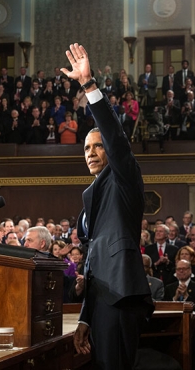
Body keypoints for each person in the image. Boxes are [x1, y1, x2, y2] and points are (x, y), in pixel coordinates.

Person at [62, 43, 153, 369]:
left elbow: (116, 138)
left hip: (120, 295)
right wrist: (85, 317)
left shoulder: (123, 178)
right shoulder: (91, 198)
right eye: (86, 147)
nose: (90, 152)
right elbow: (92, 259)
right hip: (100, 299)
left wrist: (89, 86)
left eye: (97, 146)